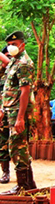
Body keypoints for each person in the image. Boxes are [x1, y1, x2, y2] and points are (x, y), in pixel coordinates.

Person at [0, 31, 36, 195]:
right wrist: (3, 108)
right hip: (10, 109)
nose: (11, 47)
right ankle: (29, 183)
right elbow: (8, 88)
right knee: (19, 146)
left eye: (14, 44)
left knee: (17, 147)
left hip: (18, 112)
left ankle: (23, 185)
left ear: (22, 44)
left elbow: (25, 92)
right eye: (10, 45)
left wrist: (20, 118)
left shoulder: (23, 63)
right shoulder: (14, 61)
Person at [0, 47, 9, 184]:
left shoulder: (18, 69)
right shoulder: (1, 73)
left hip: (16, 111)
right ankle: (5, 173)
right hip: (2, 113)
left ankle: (25, 177)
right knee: (2, 144)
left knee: (19, 145)